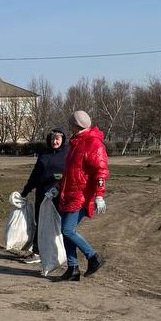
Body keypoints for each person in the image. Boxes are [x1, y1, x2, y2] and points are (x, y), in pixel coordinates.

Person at [52, 110, 109, 281]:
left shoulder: (93, 144)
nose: (69, 127)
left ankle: (93, 257)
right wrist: (58, 186)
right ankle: (73, 268)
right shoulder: (76, 143)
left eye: (71, 124)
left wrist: (99, 195)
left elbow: (100, 170)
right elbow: (70, 171)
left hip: (81, 195)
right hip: (69, 192)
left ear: (76, 125)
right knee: (66, 232)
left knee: (67, 230)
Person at [19, 128, 68, 264]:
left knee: (60, 224)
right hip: (42, 194)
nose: (55, 141)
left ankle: (61, 252)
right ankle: (37, 252)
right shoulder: (44, 154)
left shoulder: (67, 154)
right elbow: (35, 174)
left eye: (58, 138)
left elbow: (72, 173)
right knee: (40, 222)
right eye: (52, 139)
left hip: (59, 195)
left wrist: (60, 179)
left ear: (63, 140)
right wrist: (26, 190)